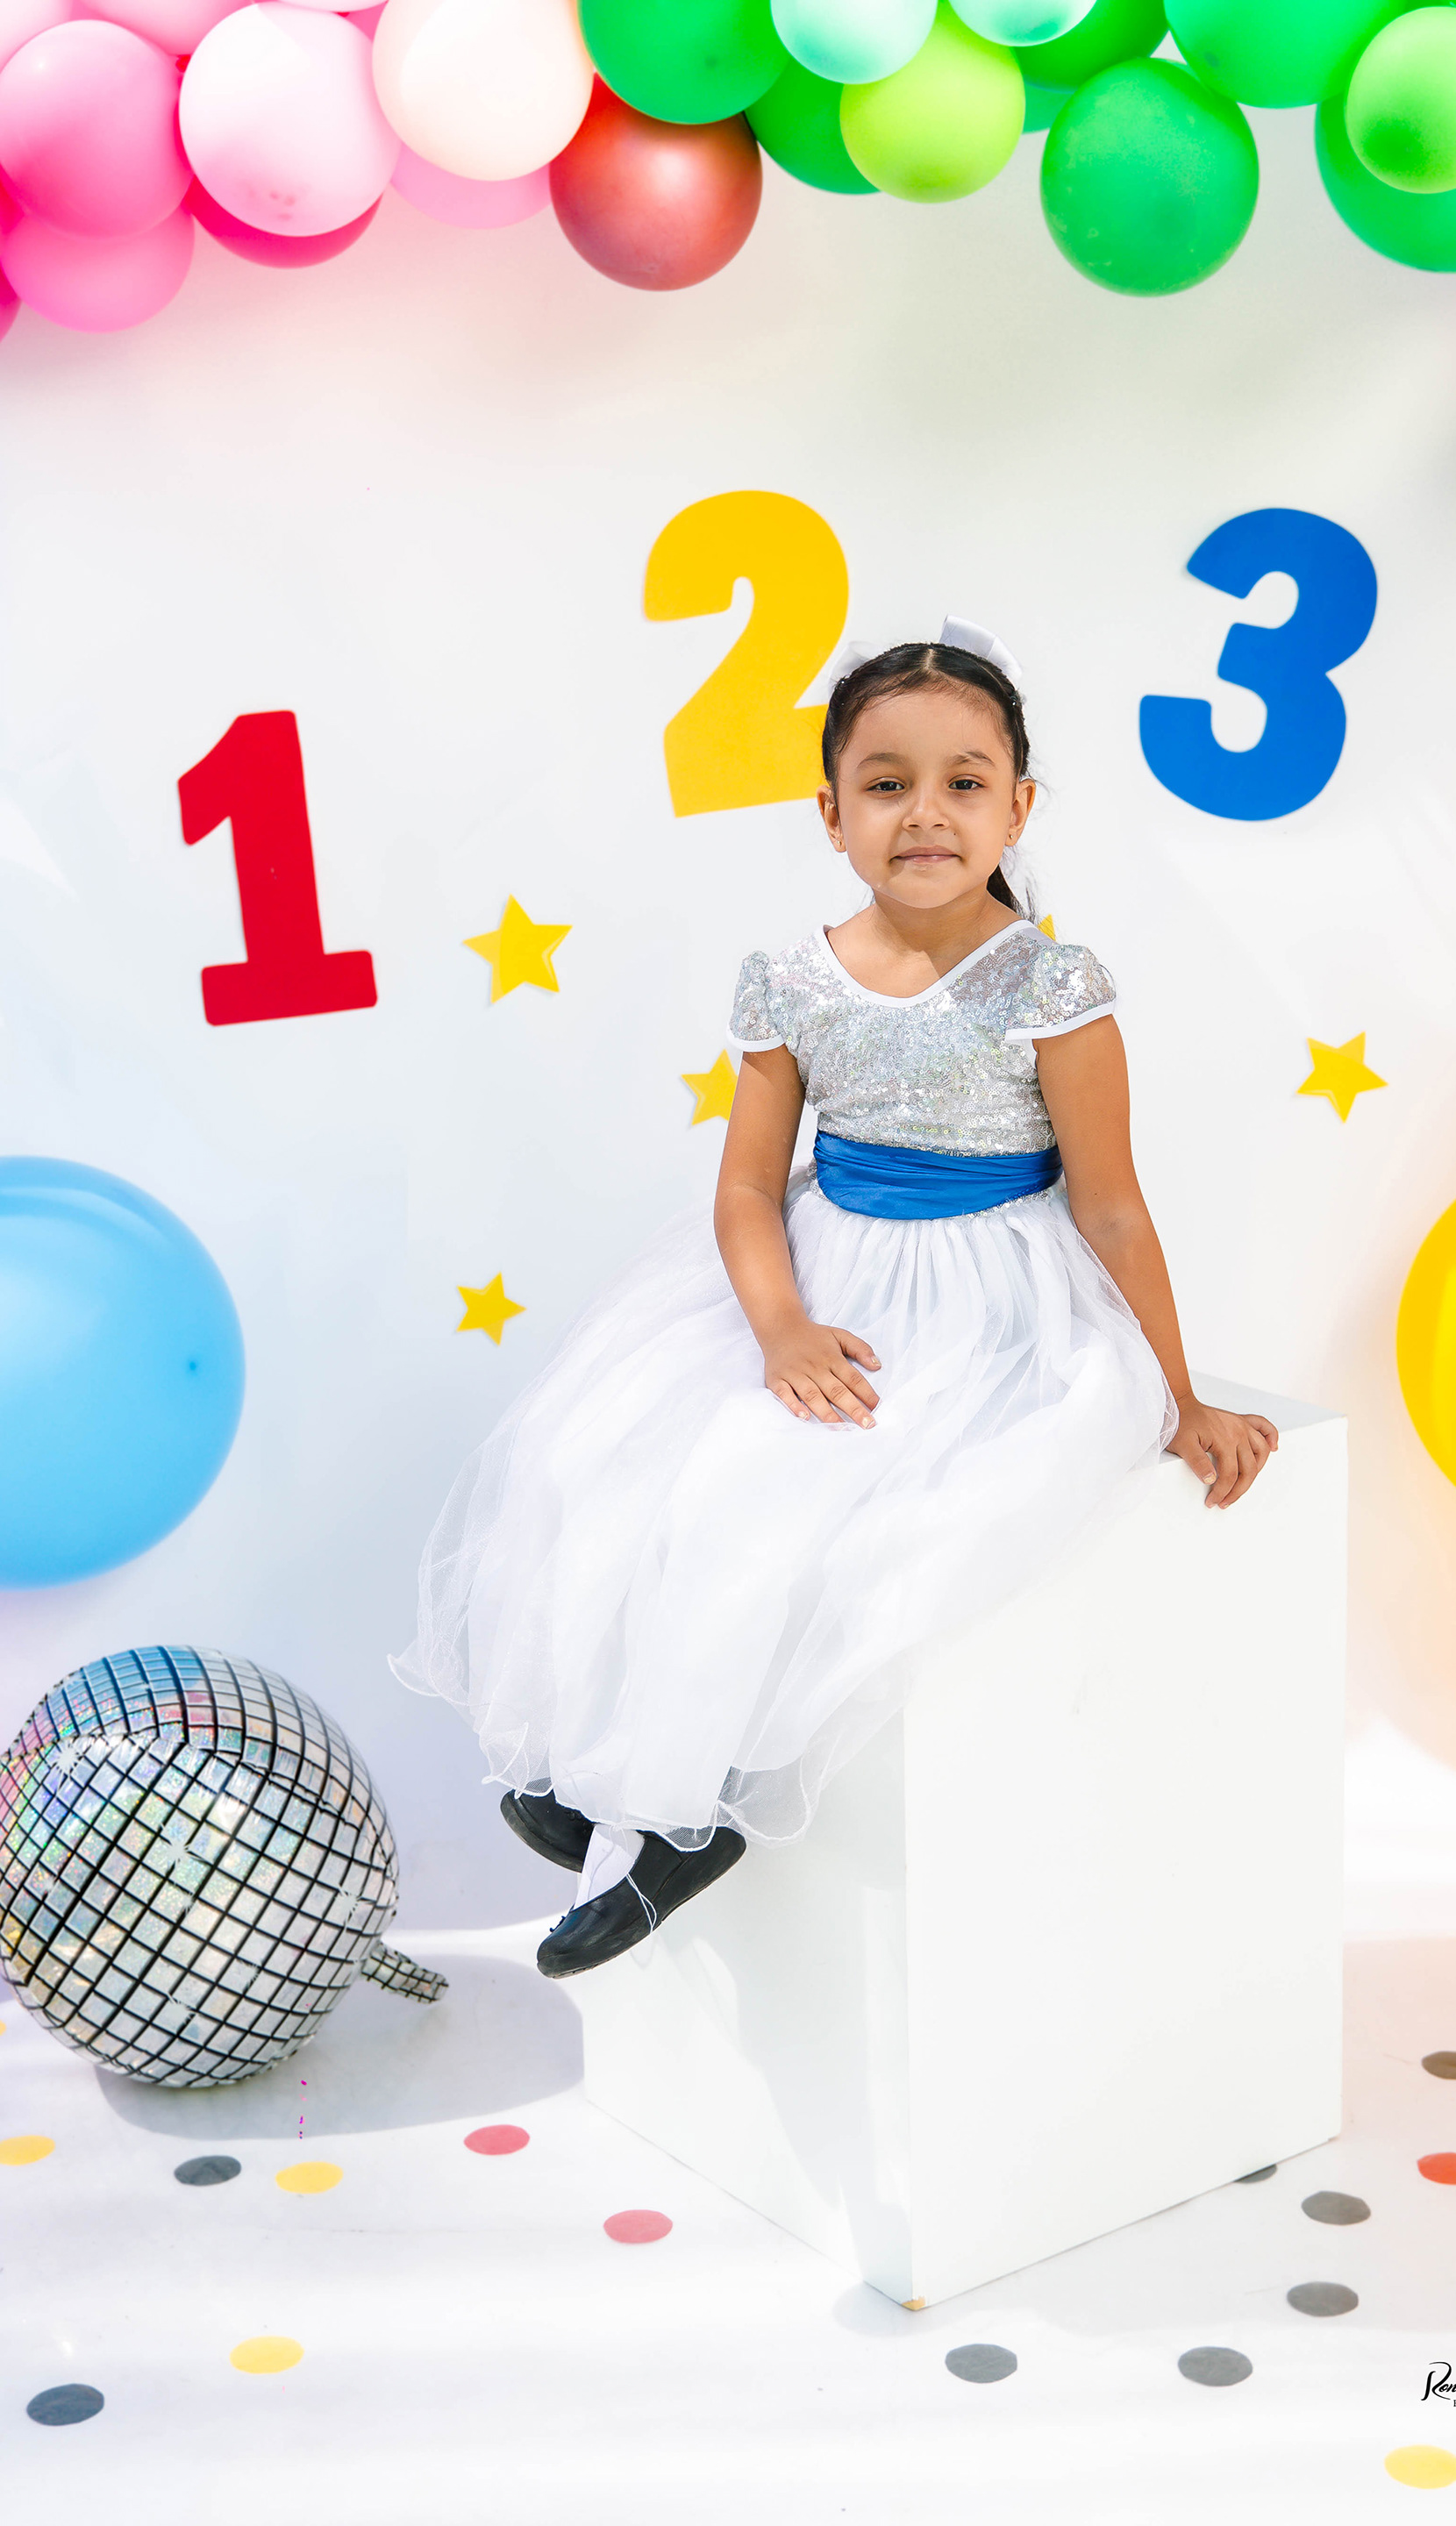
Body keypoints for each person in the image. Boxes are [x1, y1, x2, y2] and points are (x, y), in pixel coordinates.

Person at [393, 625, 1277, 1978]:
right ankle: (598, 1770)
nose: (925, 812)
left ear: (1018, 808)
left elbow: (1109, 1206)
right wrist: (781, 1328)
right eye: (886, 783)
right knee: (623, 1464)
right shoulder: (792, 982)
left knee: (813, 1514)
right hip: (829, 1275)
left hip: (992, 1296)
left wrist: (1180, 1392)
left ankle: (690, 1817)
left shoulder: (1052, 986)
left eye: (964, 783)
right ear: (831, 813)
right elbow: (749, 1190)